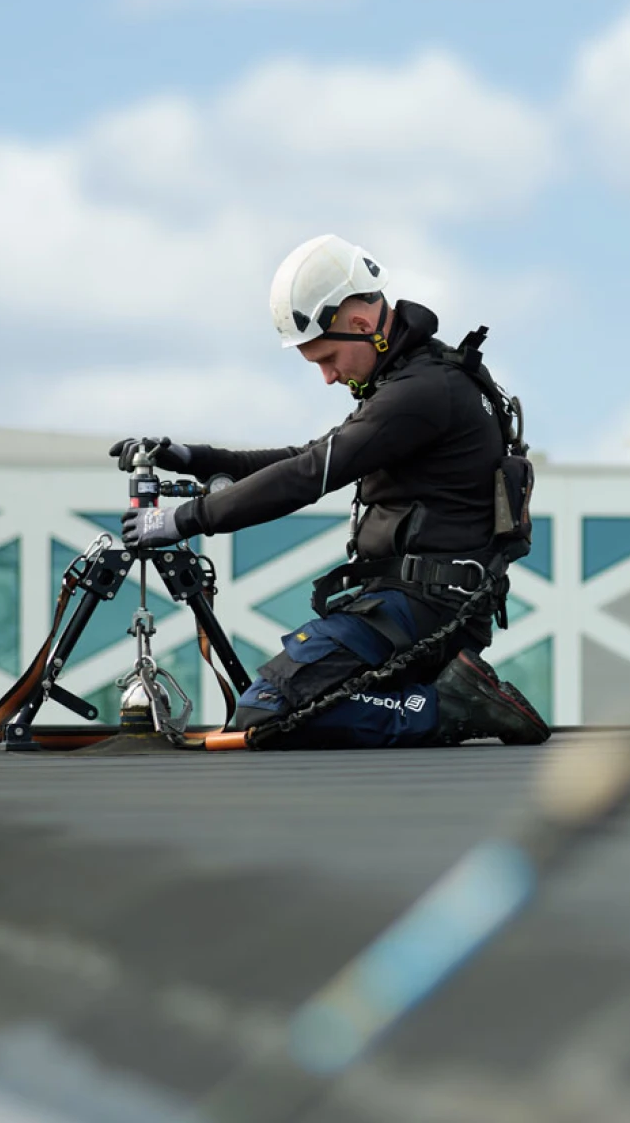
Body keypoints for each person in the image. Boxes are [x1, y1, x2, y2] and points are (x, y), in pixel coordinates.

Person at [111, 234, 549, 749]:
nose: (326, 377)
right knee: (272, 708)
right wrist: (194, 457)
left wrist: (183, 520)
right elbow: (308, 456)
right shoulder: (418, 379)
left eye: (327, 358)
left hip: (423, 611)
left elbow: (309, 475)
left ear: (362, 326)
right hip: (416, 606)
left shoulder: (422, 393)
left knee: (263, 711)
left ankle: (446, 706)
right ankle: (434, 700)